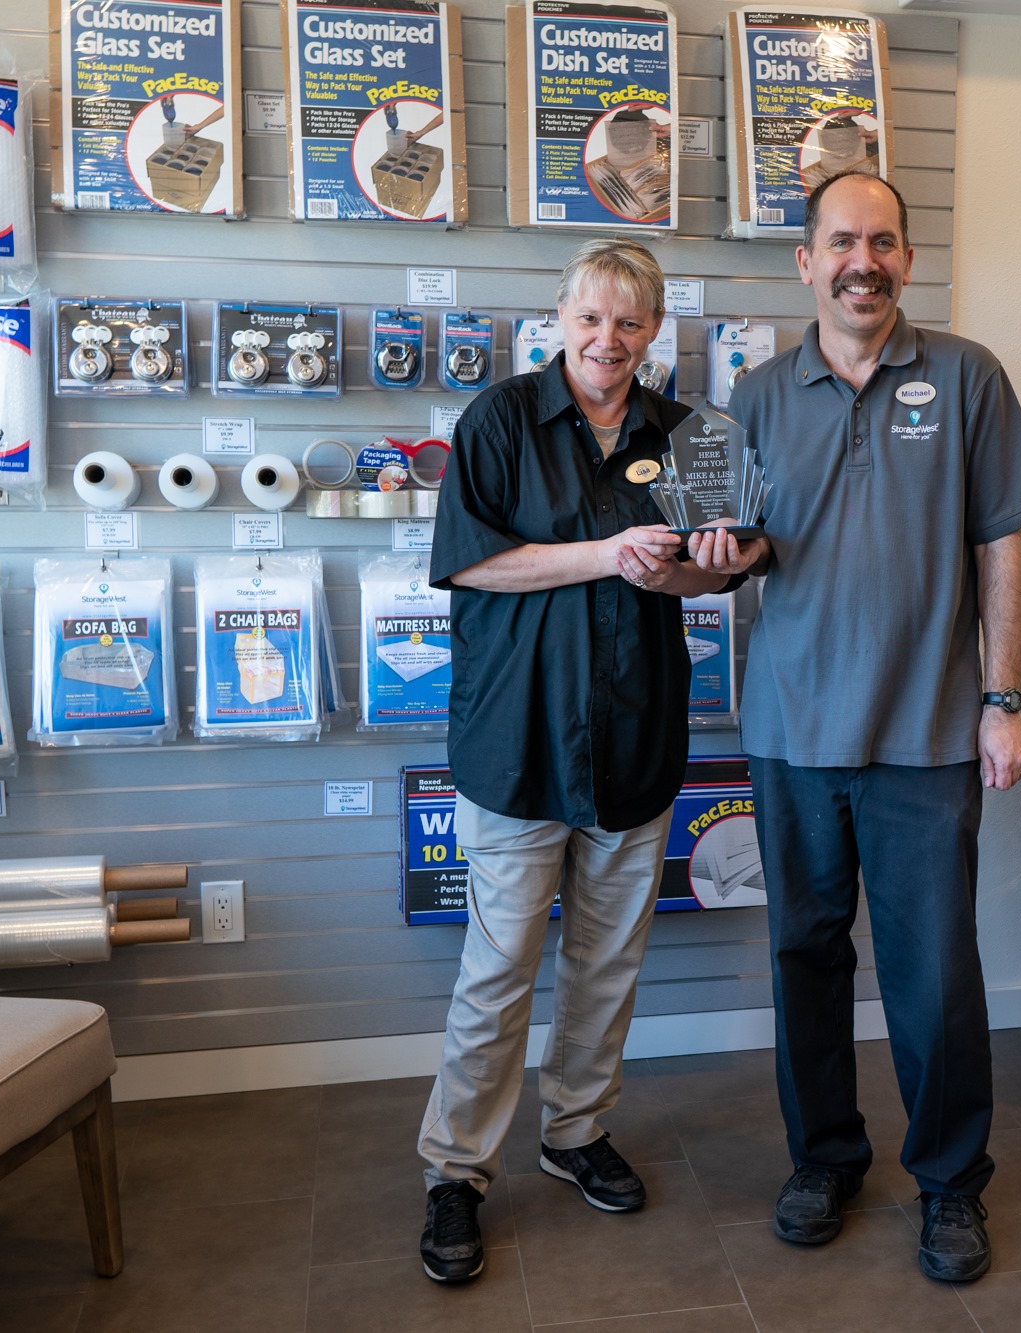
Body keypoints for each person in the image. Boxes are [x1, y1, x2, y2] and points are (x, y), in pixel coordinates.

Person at [690, 170, 1021, 1283]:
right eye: (843, 242)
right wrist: (714, 559)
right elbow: (735, 549)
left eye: (884, 242)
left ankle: (949, 1182)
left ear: (906, 258)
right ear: (805, 262)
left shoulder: (968, 375)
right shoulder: (753, 395)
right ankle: (823, 1159)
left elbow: (1002, 545)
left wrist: (1003, 700)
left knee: (933, 971)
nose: (864, 262)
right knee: (804, 956)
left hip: (927, 733)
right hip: (792, 730)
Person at [416, 238, 740, 1284]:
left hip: (635, 741)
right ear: (559, 318)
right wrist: (608, 553)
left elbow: (713, 576)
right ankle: (456, 1170)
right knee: (498, 970)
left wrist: (699, 567)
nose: (609, 339)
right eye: (592, 317)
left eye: (630, 322)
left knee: (605, 966)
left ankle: (574, 1131)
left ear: (654, 331)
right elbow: (471, 563)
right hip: (518, 742)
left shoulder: (690, 434)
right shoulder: (499, 419)